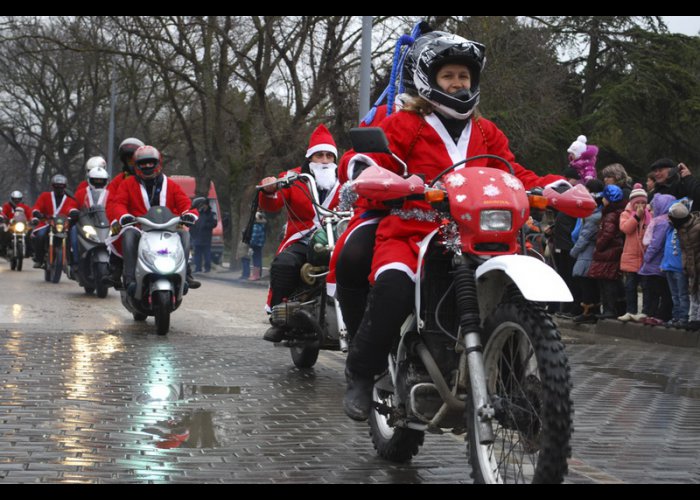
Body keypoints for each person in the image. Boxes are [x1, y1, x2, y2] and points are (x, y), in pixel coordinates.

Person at [340, 30, 567, 421]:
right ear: (431, 80)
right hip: (412, 232)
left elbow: (513, 171)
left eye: (464, 76)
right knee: (393, 289)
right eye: (449, 76)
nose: (458, 83)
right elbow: (366, 163)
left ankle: (511, 379)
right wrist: (376, 175)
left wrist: (553, 186)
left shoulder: (486, 131)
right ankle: (362, 373)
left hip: (478, 233)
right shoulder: (404, 125)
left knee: (512, 295)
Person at [257, 123, 342, 342]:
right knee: (285, 264)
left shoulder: (346, 180)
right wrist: (269, 189)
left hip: (340, 238)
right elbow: (272, 205)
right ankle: (280, 319)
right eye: (318, 155)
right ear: (309, 158)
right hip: (303, 239)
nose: (324, 160)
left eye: (328, 156)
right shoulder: (294, 177)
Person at [106, 145, 201, 294]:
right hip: (139, 227)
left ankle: (186, 273)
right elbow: (118, 203)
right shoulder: (127, 184)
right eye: (143, 163)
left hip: (168, 228)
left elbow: (185, 204)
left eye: (151, 163)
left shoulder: (171, 185)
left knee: (184, 233)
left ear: (158, 163)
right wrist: (123, 216)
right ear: (136, 165)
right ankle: (129, 278)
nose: (147, 166)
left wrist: (189, 214)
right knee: (128, 234)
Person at [103, 138, 145, 287]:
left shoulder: (152, 179)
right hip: (126, 223)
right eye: (129, 159)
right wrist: (115, 220)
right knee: (118, 237)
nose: (132, 163)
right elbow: (111, 204)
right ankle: (115, 270)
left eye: (134, 159)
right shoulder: (117, 181)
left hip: (149, 223)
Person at [586, 184, 626, 320]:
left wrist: (599, 244)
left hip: (608, 252)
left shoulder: (610, 215)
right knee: (610, 281)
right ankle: (612, 309)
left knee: (607, 282)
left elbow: (607, 234)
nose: (602, 200)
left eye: (605, 198)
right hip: (613, 251)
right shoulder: (618, 212)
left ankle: (609, 309)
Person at [637, 193, 676, 325]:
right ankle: (654, 313)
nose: (652, 210)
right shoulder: (665, 221)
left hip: (656, 262)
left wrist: (647, 257)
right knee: (658, 290)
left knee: (660, 290)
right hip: (659, 262)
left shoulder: (661, 223)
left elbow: (655, 243)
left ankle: (660, 315)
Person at [570, 179, 605, 324]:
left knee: (586, 283)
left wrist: (573, 252)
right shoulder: (597, 215)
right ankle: (593, 310)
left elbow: (583, 238)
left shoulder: (593, 218)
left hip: (586, 255)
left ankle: (588, 311)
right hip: (591, 254)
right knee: (590, 283)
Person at [617, 184, 652, 322]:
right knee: (630, 285)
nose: (641, 205)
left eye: (643, 202)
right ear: (632, 203)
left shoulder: (650, 215)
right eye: (638, 202)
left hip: (645, 256)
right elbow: (625, 229)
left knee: (646, 286)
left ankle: (645, 311)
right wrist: (636, 217)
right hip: (631, 255)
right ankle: (630, 311)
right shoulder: (626, 214)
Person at [70, 157, 109, 277]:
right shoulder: (82, 190)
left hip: (104, 223)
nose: (98, 182)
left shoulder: (110, 191)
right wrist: (73, 211)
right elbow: (73, 203)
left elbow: (116, 204)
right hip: (87, 222)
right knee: (73, 230)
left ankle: (119, 263)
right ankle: (75, 260)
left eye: (101, 180)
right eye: (95, 179)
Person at [30, 174, 79, 269]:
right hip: (47, 222)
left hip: (62, 224)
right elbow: (37, 206)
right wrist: (37, 212)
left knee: (73, 237)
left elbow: (71, 208)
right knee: (40, 236)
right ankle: (39, 259)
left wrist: (73, 212)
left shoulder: (69, 199)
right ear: (52, 186)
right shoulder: (45, 196)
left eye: (61, 186)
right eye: (56, 186)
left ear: (65, 187)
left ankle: (72, 259)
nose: (59, 189)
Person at [668, 201, 700, 331]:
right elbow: (685, 250)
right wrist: (686, 264)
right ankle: (693, 318)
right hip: (691, 266)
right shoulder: (681, 229)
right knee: (693, 292)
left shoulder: (697, 227)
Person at [661, 199, 689, 328]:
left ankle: (683, 318)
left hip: (679, 269)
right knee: (674, 295)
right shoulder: (670, 229)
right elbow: (666, 247)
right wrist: (663, 264)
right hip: (669, 266)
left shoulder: (685, 231)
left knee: (682, 294)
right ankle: (676, 316)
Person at [0, 190, 33, 256]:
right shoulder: (7, 206)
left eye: (18, 199)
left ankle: (30, 251)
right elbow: (3, 213)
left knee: (31, 232)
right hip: (10, 225)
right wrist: (2, 217)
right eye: (14, 199)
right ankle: (2, 248)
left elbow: (30, 215)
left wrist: (32, 220)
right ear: (11, 199)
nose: (16, 201)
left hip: (22, 226)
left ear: (21, 199)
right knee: (2, 230)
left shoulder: (25, 207)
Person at [190, 199, 217, 274]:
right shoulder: (199, 213)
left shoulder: (212, 214)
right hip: (198, 236)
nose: (203, 206)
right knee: (197, 254)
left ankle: (207, 268)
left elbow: (214, 224)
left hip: (206, 237)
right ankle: (198, 268)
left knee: (207, 254)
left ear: (207, 205)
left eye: (204, 205)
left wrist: (205, 226)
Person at [248, 211, 267, 281]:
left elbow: (254, 237)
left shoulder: (256, 226)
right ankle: (257, 275)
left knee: (255, 259)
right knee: (258, 259)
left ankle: (255, 275)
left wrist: (250, 244)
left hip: (255, 245)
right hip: (260, 245)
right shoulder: (262, 226)